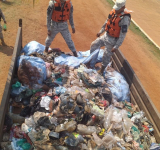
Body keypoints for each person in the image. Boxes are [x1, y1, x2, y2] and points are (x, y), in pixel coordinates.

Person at [90, 0, 132, 74]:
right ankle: (91, 62)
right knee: (94, 44)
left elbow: (123, 34)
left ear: (123, 7)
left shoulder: (125, 19)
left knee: (106, 55)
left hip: (113, 40)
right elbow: (107, 21)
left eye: (118, 8)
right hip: (106, 35)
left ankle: (102, 70)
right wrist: (101, 31)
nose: (116, 10)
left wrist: (116, 46)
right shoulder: (113, 11)